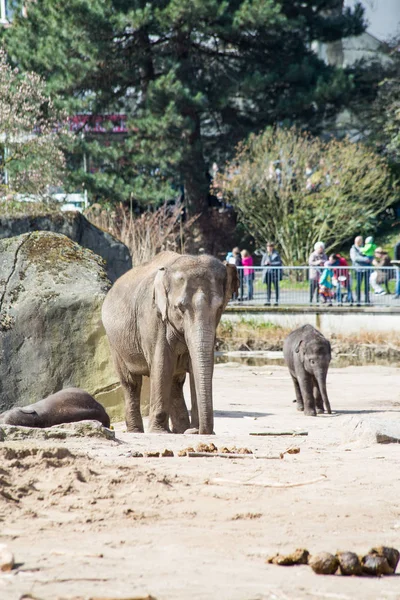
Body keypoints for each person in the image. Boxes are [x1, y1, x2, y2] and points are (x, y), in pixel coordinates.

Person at [350, 236, 372, 306]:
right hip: (358, 269)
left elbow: (370, 254)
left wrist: (370, 258)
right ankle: (358, 300)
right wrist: (365, 259)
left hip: (366, 269)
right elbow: (355, 258)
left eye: (361, 240)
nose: (361, 242)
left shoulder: (365, 248)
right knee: (358, 285)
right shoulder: (353, 249)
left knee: (367, 285)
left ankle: (367, 300)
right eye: (359, 240)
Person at [261, 241, 282, 306]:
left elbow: (279, 263)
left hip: (274, 273)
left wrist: (271, 264)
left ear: (272, 247)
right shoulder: (265, 255)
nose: (269, 248)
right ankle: (268, 300)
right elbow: (262, 264)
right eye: (268, 247)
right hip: (267, 273)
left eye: (270, 246)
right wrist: (265, 264)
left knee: (276, 287)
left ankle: (276, 301)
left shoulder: (276, 254)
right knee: (268, 287)